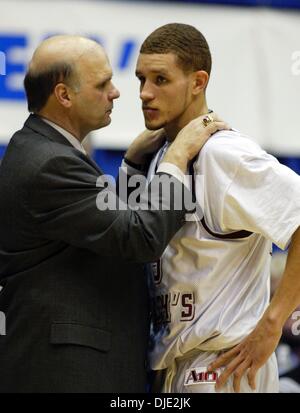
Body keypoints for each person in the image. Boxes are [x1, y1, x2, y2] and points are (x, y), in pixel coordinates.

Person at [0, 35, 227, 392]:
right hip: (69, 374)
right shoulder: (50, 163)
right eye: (103, 84)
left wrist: (134, 167)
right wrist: (176, 159)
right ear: (64, 96)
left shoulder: (42, 149)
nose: (118, 93)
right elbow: (140, 238)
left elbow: (102, 227)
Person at [134, 23, 300, 393]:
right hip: (177, 363)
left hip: (225, 365)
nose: (145, 93)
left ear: (198, 82)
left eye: (161, 79)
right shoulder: (163, 153)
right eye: (141, 79)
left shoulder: (225, 154)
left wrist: (273, 322)